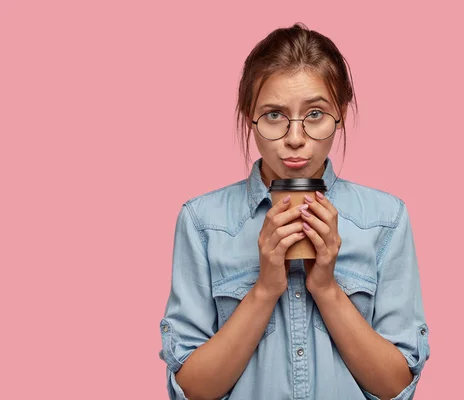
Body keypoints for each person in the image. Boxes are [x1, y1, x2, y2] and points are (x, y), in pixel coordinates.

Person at [158, 23, 430, 400]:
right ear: (248, 115)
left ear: (341, 113)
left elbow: (395, 387)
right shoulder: (204, 223)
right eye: (274, 115)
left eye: (315, 114)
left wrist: (326, 287)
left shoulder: (385, 220)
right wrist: (265, 288)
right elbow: (194, 391)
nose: (295, 137)